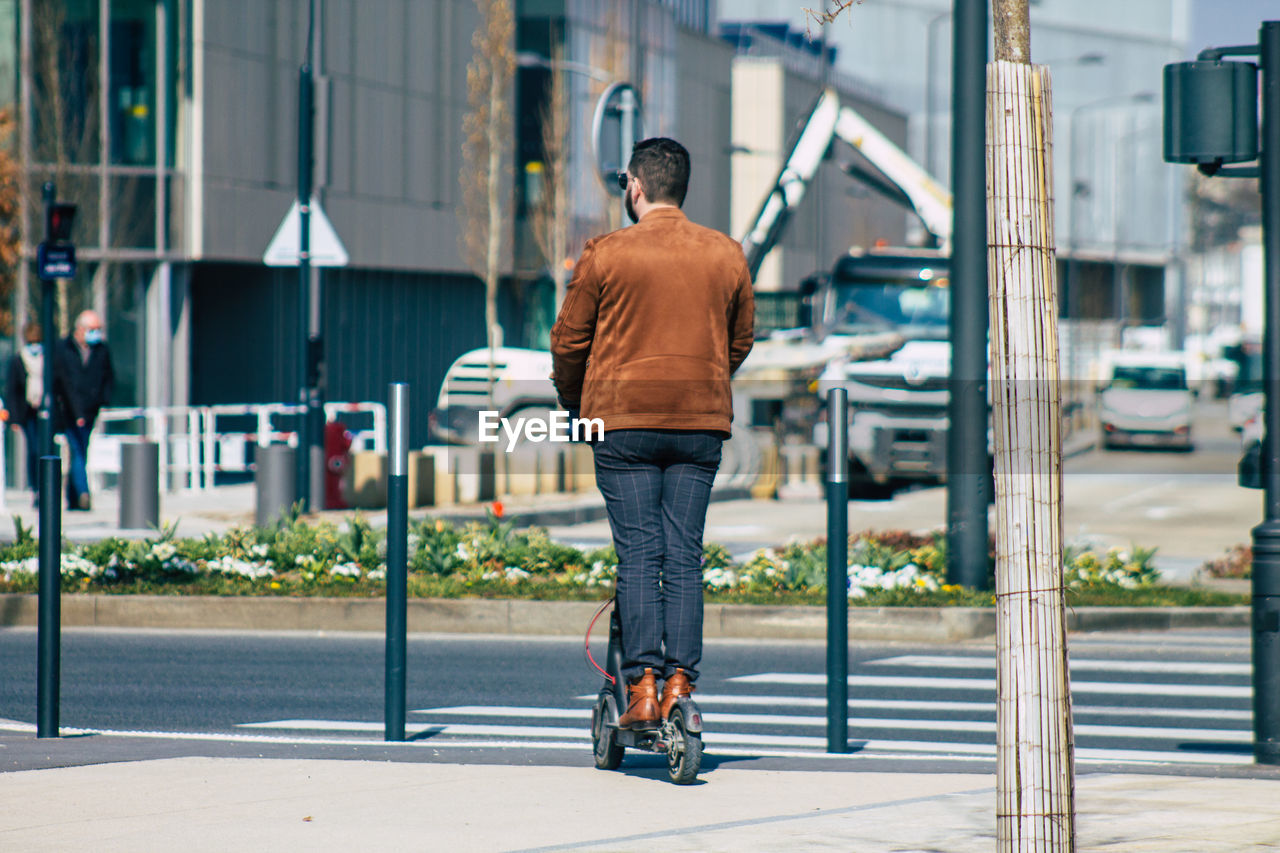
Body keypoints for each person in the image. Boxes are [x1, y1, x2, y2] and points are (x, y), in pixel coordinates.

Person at [550, 137, 754, 730]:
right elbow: (738, 340)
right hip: (699, 426)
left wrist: (575, 402)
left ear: (634, 187)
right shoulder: (726, 255)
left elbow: (569, 342)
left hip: (622, 423)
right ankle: (681, 683)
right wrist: (703, 383)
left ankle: (640, 685)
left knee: (639, 552)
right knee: (684, 554)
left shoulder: (607, 254)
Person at [54, 310, 114, 511]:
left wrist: (103, 402)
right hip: (69, 412)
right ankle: (83, 493)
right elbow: (63, 383)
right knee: (77, 451)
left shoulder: (101, 350)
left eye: (98, 330)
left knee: (80, 451)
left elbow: (108, 377)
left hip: (90, 411)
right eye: (93, 329)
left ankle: (73, 496)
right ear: (80, 329)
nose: (96, 333)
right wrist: (75, 412)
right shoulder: (64, 349)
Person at [7, 322, 43, 502]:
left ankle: (45, 487)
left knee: (45, 450)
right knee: (34, 448)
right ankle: (35, 487)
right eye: (31, 342)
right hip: (27, 411)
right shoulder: (19, 360)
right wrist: (13, 417)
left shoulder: (48, 359)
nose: (35, 345)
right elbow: (12, 389)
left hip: (45, 411)